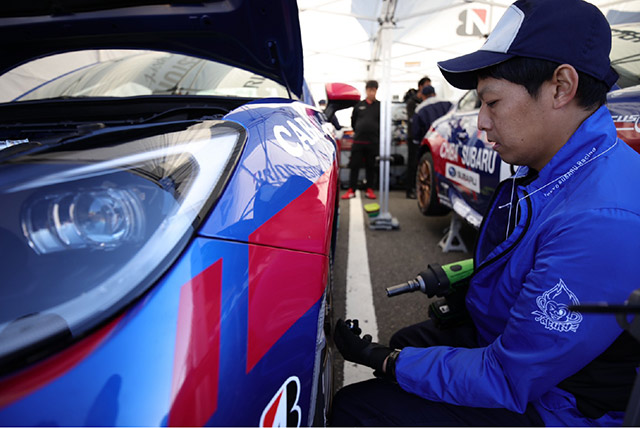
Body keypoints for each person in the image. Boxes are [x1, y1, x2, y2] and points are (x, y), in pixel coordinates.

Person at [331, 0, 640, 426]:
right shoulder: (560, 168)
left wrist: (386, 362)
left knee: (356, 406)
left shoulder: (600, 219)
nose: (481, 122)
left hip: (561, 406)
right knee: (410, 340)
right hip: (535, 365)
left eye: (491, 102)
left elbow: (507, 378)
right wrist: (473, 291)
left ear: (561, 87)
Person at [342, 80, 380, 200]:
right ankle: (351, 189)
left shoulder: (379, 106)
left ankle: (369, 189)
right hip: (358, 141)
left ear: (376, 91)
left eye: (373, 90)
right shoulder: (359, 105)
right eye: (369, 90)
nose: (371, 92)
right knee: (354, 166)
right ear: (366, 90)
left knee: (371, 167)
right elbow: (353, 122)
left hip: (373, 142)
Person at [404, 76, 431, 199]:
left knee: (424, 164)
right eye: (426, 85)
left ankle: (421, 189)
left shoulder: (428, 101)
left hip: (426, 138)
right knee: (412, 163)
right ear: (420, 87)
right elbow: (412, 120)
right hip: (414, 137)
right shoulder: (412, 102)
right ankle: (410, 189)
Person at [411, 85, 452, 154]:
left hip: (429, 143)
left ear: (423, 96)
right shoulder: (448, 103)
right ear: (435, 94)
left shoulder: (419, 109)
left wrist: (416, 141)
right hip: (447, 142)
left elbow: (416, 130)